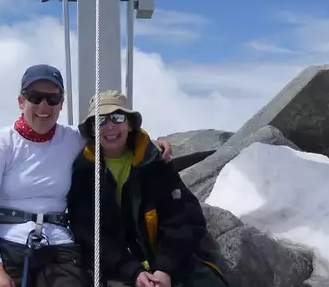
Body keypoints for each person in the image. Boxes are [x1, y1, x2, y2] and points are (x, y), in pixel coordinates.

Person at [0, 65, 175, 287]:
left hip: (60, 250)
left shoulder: (72, 139)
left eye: (52, 99)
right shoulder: (0, 145)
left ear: (62, 103)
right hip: (7, 246)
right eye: (35, 97)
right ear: (21, 101)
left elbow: (111, 136)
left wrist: (149, 144)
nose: (44, 106)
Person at [66, 90, 228, 287]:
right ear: (92, 129)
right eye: (100, 121)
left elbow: (184, 218)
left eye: (117, 118)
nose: (110, 127)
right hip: (117, 269)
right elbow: (90, 235)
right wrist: (134, 273)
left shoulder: (154, 163)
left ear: (130, 124)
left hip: (168, 264)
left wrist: (165, 269)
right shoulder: (84, 172)